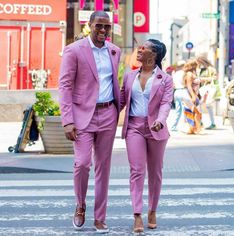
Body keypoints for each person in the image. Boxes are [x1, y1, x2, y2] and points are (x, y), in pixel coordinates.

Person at [58, 11, 121, 233]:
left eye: (107, 27)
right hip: (81, 116)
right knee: (83, 163)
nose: (103, 31)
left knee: (104, 168)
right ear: (90, 25)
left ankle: (100, 217)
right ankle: (80, 205)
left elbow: (113, 82)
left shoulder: (115, 51)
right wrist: (67, 120)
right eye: (99, 26)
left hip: (108, 115)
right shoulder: (74, 50)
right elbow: (65, 86)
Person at [120, 39, 173, 233]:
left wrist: (161, 120)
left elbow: (166, 103)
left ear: (155, 55)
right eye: (140, 46)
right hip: (134, 126)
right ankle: (137, 214)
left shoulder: (165, 79)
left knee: (155, 172)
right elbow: (120, 101)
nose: (139, 49)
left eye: (145, 47)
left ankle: (152, 210)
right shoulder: (129, 76)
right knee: (137, 170)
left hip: (156, 128)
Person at [197, 56, 218, 129]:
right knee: (199, 105)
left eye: (199, 62)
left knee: (207, 106)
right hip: (202, 90)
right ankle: (201, 122)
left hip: (208, 89)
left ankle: (211, 123)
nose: (198, 64)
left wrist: (203, 79)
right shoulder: (200, 69)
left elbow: (215, 78)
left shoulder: (211, 69)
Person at [182, 59, 202, 134]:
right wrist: (193, 96)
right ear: (192, 65)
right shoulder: (189, 74)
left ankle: (194, 128)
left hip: (194, 94)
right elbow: (189, 86)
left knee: (194, 112)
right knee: (195, 112)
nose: (197, 66)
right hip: (191, 95)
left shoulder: (192, 73)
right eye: (196, 65)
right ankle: (195, 128)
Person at [171, 60, 186, 131]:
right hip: (183, 90)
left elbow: (173, 84)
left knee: (178, 110)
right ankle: (186, 126)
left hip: (176, 91)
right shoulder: (184, 73)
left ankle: (173, 126)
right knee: (186, 109)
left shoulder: (175, 73)